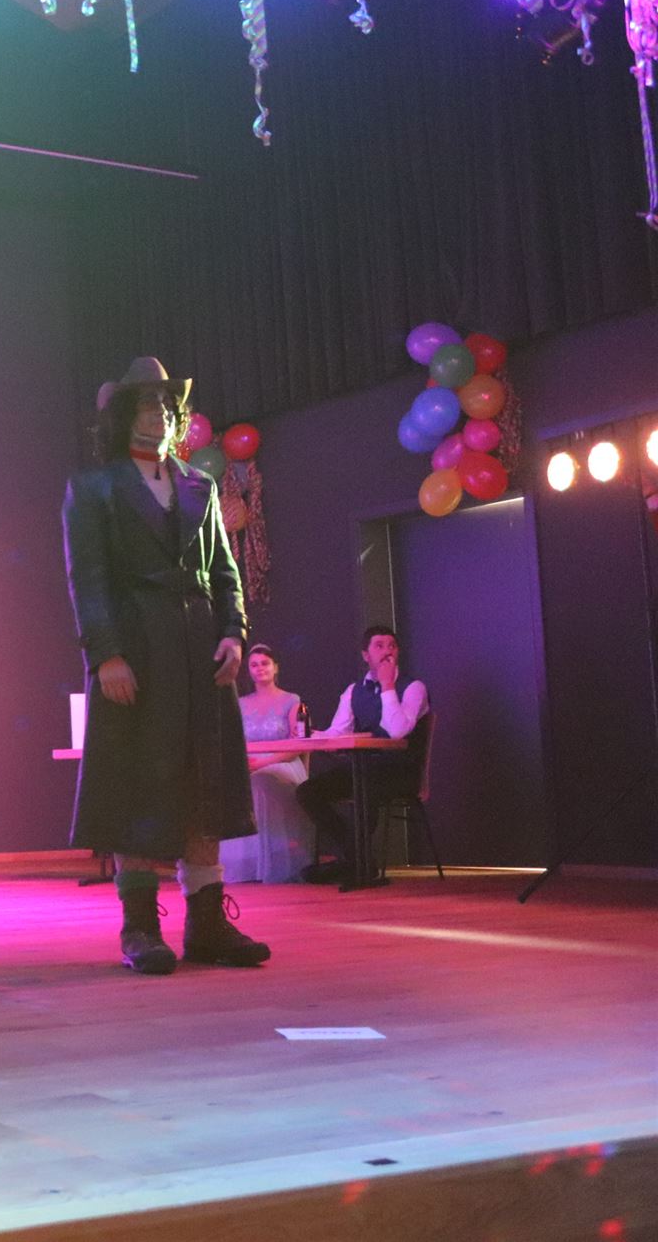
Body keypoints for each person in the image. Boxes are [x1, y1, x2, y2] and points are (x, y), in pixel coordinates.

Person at [61, 356, 272, 974]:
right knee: (137, 785)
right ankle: (140, 927)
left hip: (200, 653)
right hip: (136, 650)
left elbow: (226, 574)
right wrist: (106, 655)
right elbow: (87, 580)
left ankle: (206, 925)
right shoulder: (94, 488)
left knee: (204, 785)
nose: (159, 414)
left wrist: (234, 635)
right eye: (147, 403)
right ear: (125, 414)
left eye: (166, 405)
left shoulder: (200, 485)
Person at [296, 625, 430, 884]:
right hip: (364, 768)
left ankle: (355, 863)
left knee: (365, 787)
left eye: (392, 646)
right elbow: (338, 732)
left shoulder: (413, 688)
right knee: (308, 792)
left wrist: (388, 685)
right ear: (366, 655)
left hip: (400, 771)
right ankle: (358, 858)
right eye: (379, 646)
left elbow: (397, 731)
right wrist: (311, 735)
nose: (387, 652)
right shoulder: (353, 690)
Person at [218, 643, 316, 884]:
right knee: (231, 782)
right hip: (248, 762)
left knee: (262, 781)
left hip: (282, 761)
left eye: (265, 663)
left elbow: (298, 743)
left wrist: (264, 763)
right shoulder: (240, 703)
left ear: (275, 667)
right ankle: (246, 864)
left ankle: (276, 863)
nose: (260, 668)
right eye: (254, 665)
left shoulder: (291, 700)